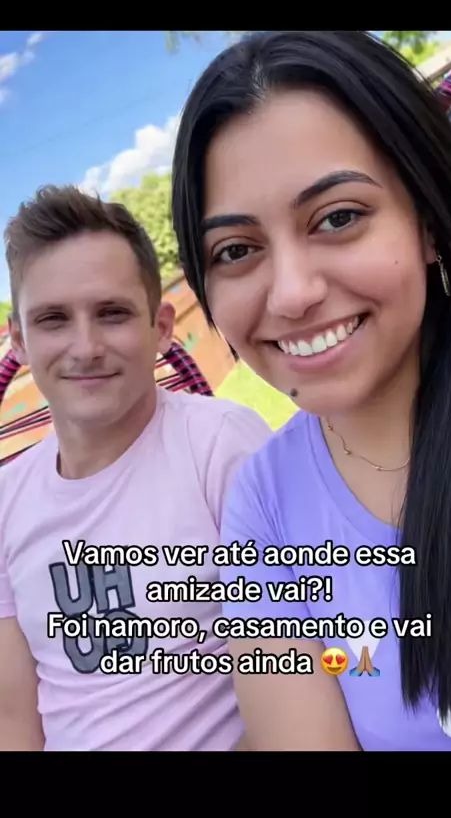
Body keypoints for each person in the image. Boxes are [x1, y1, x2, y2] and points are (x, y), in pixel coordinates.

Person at [170, 30, 451, 751]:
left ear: (427, 220)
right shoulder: (264, 507)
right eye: (236, 250)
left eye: (338, 217)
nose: (292, 293)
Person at [0, 185, 272, 751]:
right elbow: (15, 718)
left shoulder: (218, 446)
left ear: (161, 326)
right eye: (53, 319)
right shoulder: (7, 501)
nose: (85, 346)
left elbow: (303, 671)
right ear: (20, 341)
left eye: (112, 313)